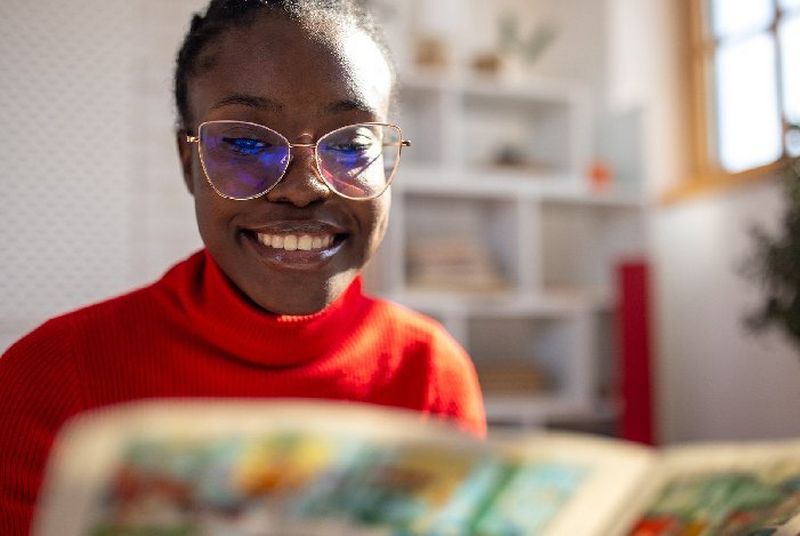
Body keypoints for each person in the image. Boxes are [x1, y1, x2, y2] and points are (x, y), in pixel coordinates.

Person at [0, 0, 486, 532]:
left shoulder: (429, 372)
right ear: (190, 165)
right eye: (247, 143)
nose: (305, 188)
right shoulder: (51, 377)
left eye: (350, 143)